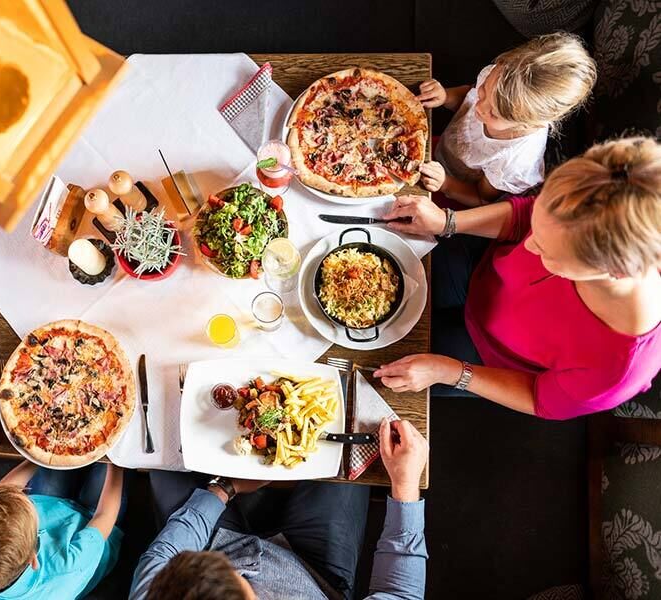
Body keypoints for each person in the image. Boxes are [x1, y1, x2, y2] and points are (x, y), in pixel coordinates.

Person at [375, 136, 661, 419]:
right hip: (479, 269)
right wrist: (448, 222)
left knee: (378, 367)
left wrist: (446, 371)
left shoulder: (617, 372)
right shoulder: (589, 201)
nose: (529, 245)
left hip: (484, 358)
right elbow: (523, 217)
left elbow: (538, 397)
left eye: (546, 250)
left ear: (615, 272)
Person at [130, 418, 429, 599]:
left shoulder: (159, 592)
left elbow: (162, 555)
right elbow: (399, 593)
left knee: (159, 444)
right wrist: (405, 485)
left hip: (214, 543)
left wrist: (224, 488)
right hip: (315, 572)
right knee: (347, 442)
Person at [416, 33, 596, 207]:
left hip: (453, 190)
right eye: (483, 92)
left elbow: (481, 198)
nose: (479, 107)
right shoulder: (497, 80)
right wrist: (445, 96)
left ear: (530, 123)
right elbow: (469, 96)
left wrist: (445, 183)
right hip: (437, 148)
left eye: (494, 114)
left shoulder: (515, 162)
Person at [0, 461, 126, 600]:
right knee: (109, 470)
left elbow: (1, 494)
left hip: (51, 504)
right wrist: (115, 461)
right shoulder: (65, 567)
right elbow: (105, 515)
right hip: (96, 525)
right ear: (33, 559)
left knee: (54, 457)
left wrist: (36, 458)